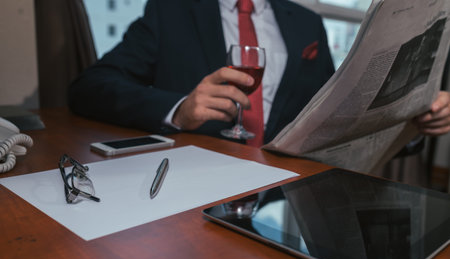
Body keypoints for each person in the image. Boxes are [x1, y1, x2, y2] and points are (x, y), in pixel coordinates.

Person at [68, 0, 450, 147]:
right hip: (194, 178)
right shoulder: (171, 11)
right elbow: (90, 88)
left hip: (282, 191)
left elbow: (333, 111)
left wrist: (413, 116)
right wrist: (179, 108)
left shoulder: (306, 23)